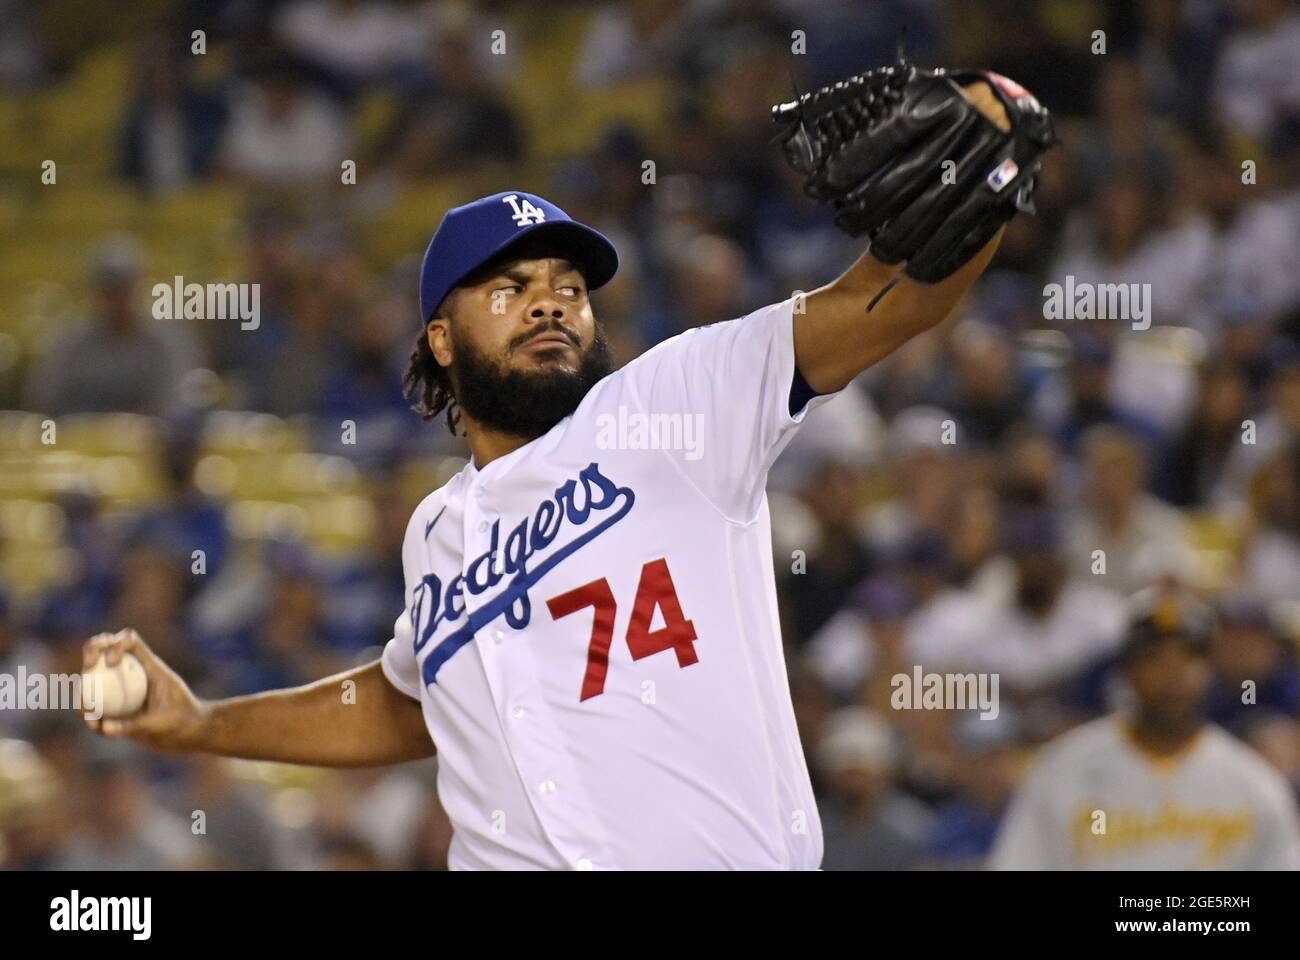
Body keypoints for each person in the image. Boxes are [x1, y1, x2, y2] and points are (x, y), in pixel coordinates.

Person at [82, 80, 1023, 870]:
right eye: (511, 288)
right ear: (440, 340)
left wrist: (993, 156)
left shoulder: (676, 402)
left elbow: (884, 304)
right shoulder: (435, 533)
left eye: (569, 289)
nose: (550, 304)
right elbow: (408, 702)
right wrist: (203, 723)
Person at [989, 586, 1300, 870]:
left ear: (1209, 669)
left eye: (1187, 659)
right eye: (1154, 659)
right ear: (1127, 670)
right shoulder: (1061, 771)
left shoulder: (1254, 783)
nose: (1172, 675)